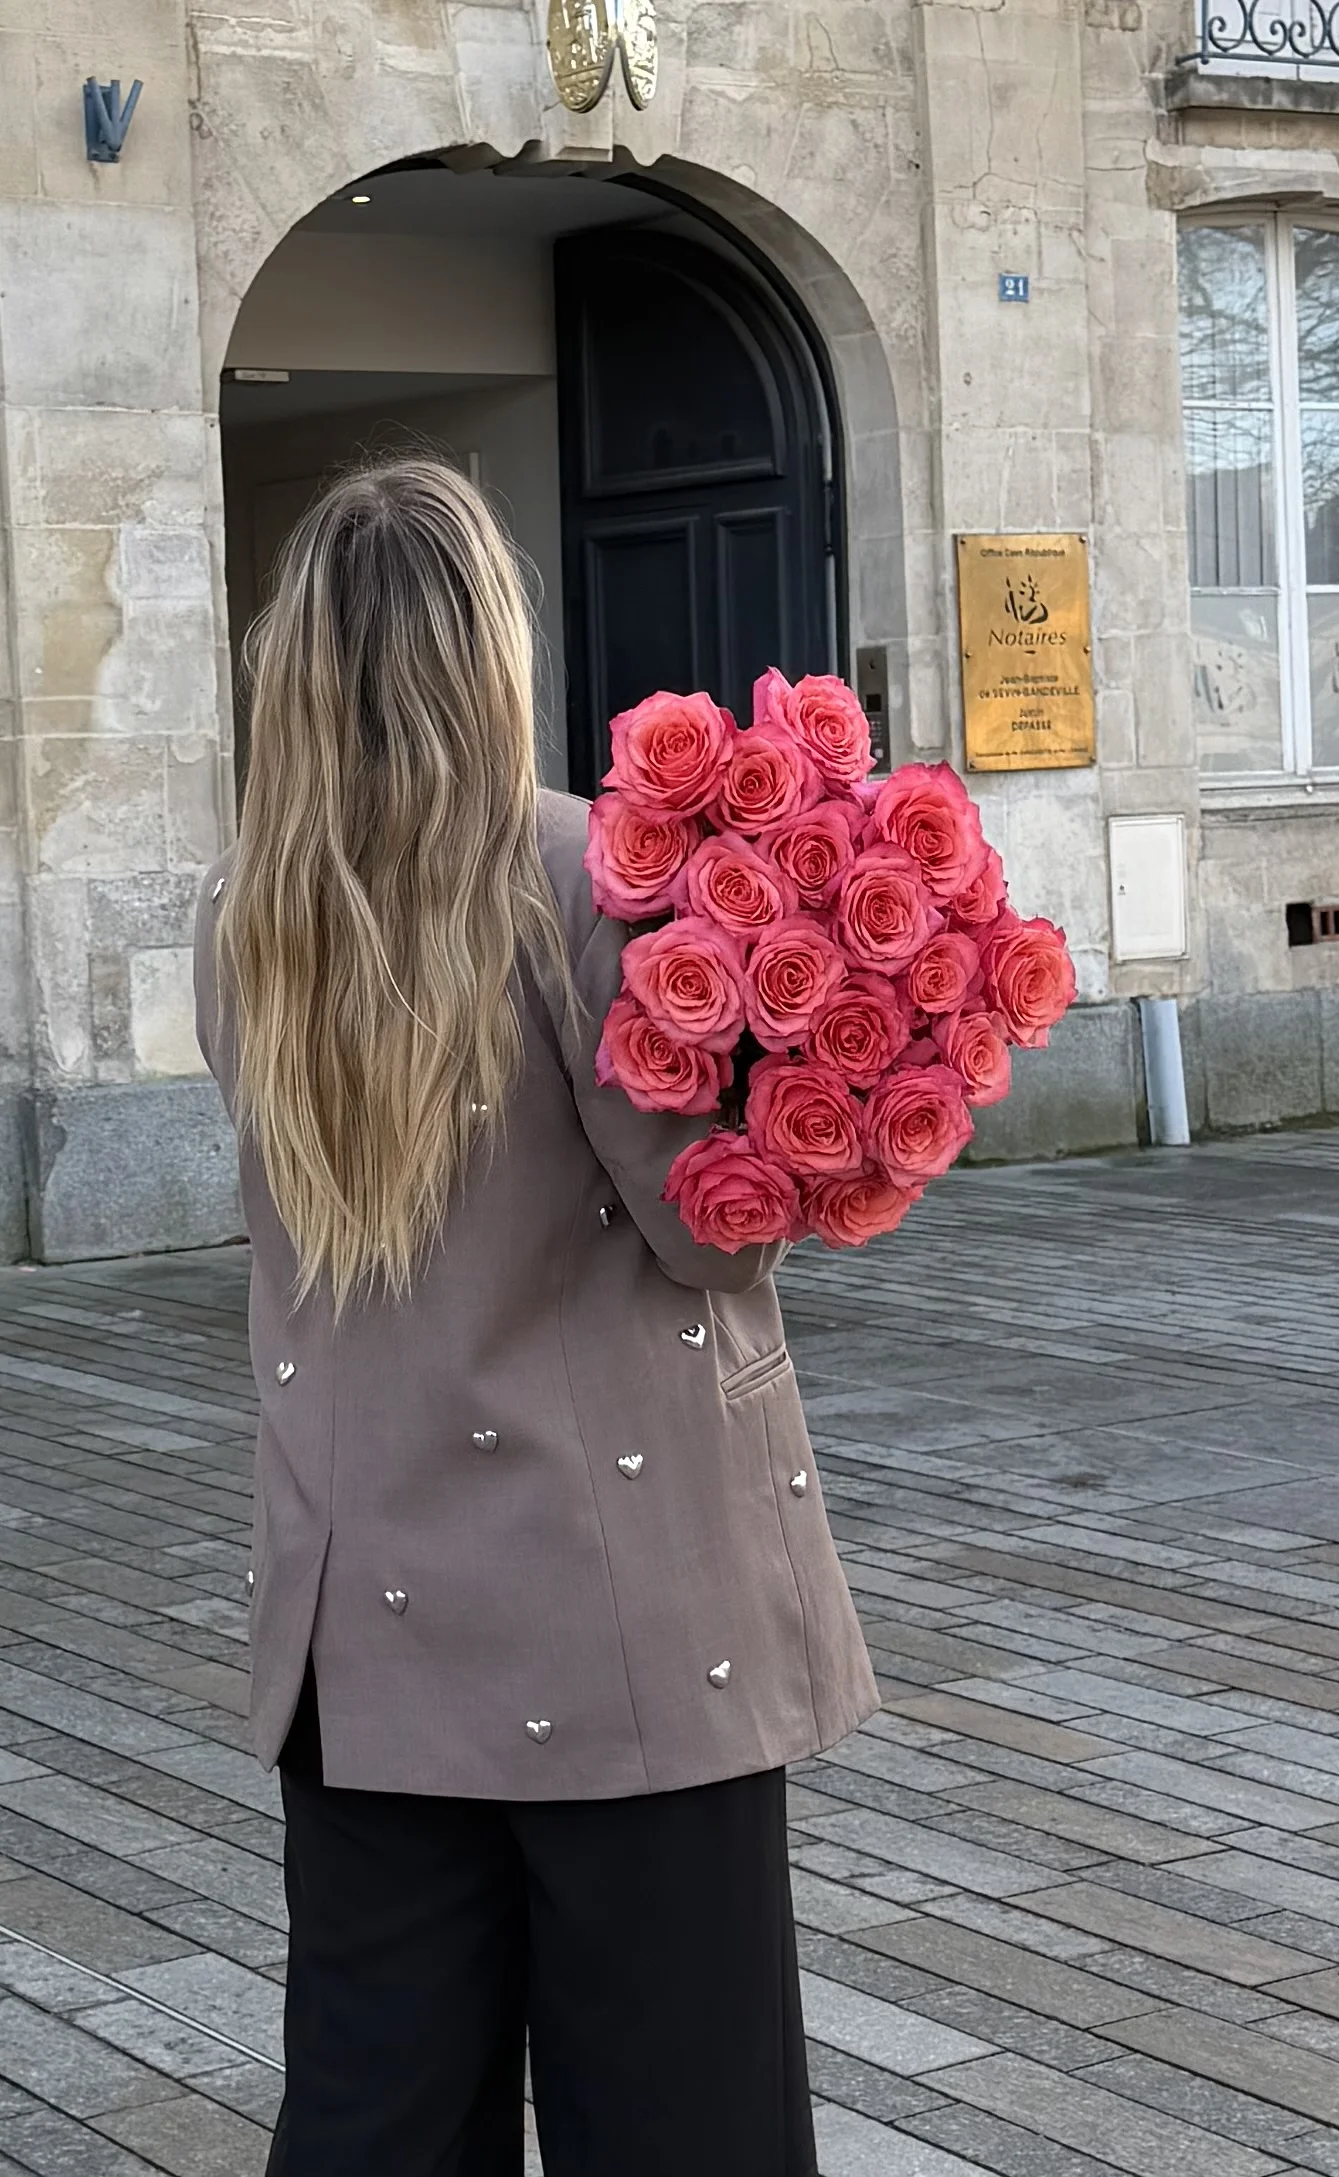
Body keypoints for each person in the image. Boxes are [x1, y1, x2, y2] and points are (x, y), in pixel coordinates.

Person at [194, 459, 878, 2177]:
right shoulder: (593, 884)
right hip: (624, 1617)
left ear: (293, 673)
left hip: (366, 1624)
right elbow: (705, 1238)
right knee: (680, 2126)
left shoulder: (248, 920)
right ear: (491, 647)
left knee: (381, 2116)